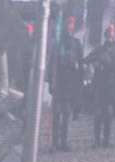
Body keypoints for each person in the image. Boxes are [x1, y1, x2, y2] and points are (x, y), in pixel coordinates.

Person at [47, 16, 83, 152]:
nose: (69, 28)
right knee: (56, 115)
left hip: (69, 84)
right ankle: (55, 142)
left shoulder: (76, 43)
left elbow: (80, 65)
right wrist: (50, 81)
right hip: (59, 83)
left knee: (66, 115)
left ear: (73, 28)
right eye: (68, 25)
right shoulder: (58, 44)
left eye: (71, 25)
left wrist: (79, 77)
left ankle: (64, 141)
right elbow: (52, 63)